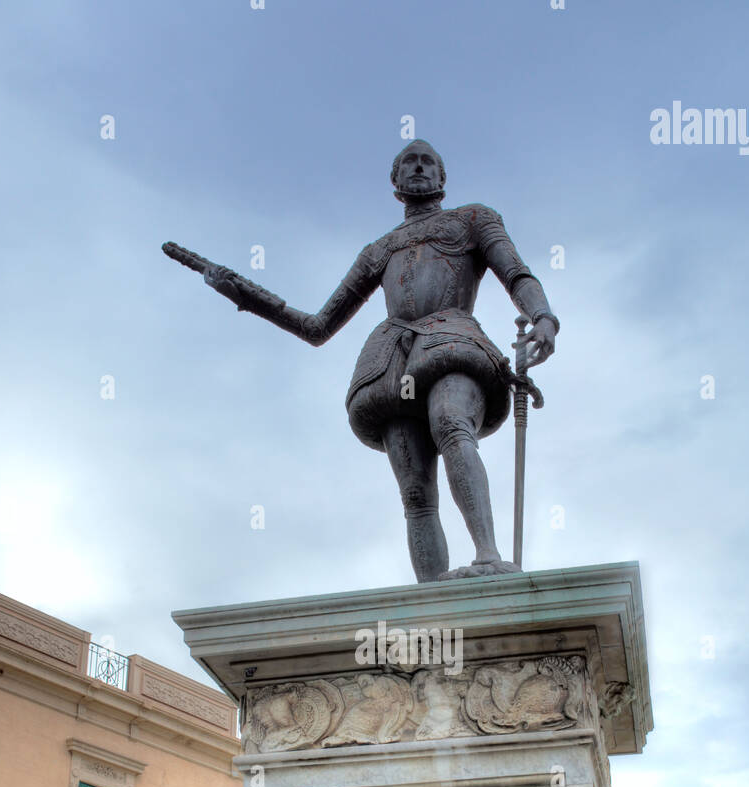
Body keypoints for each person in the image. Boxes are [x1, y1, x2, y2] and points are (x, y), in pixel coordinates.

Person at [194, 140, 559, 582]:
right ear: (395, 182)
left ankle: (487, 555)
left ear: (442, 178)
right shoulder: (378, 249)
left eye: (429, 163)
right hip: (392, 363)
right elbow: (318, 326)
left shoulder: (474, 219)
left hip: (451, 343)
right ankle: (431, 592)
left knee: (450, 422)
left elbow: (516, 272)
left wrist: (543, 317)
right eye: (410, 163)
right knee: (414, 490)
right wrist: (248, 297)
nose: (420, 169)